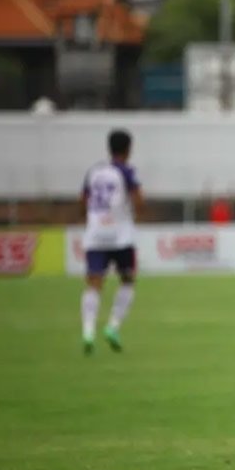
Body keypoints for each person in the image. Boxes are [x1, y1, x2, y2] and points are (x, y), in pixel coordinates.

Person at [79, 129, 142, 355]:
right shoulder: (126, 172)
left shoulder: (94, 172)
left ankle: (87, 332)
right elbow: (138, 199)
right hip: (120, 235)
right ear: (128, 149)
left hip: (95, 235)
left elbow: (83, 200)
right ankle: (113, 327)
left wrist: (92, 221)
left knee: (93, 283)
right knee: (127, 280)